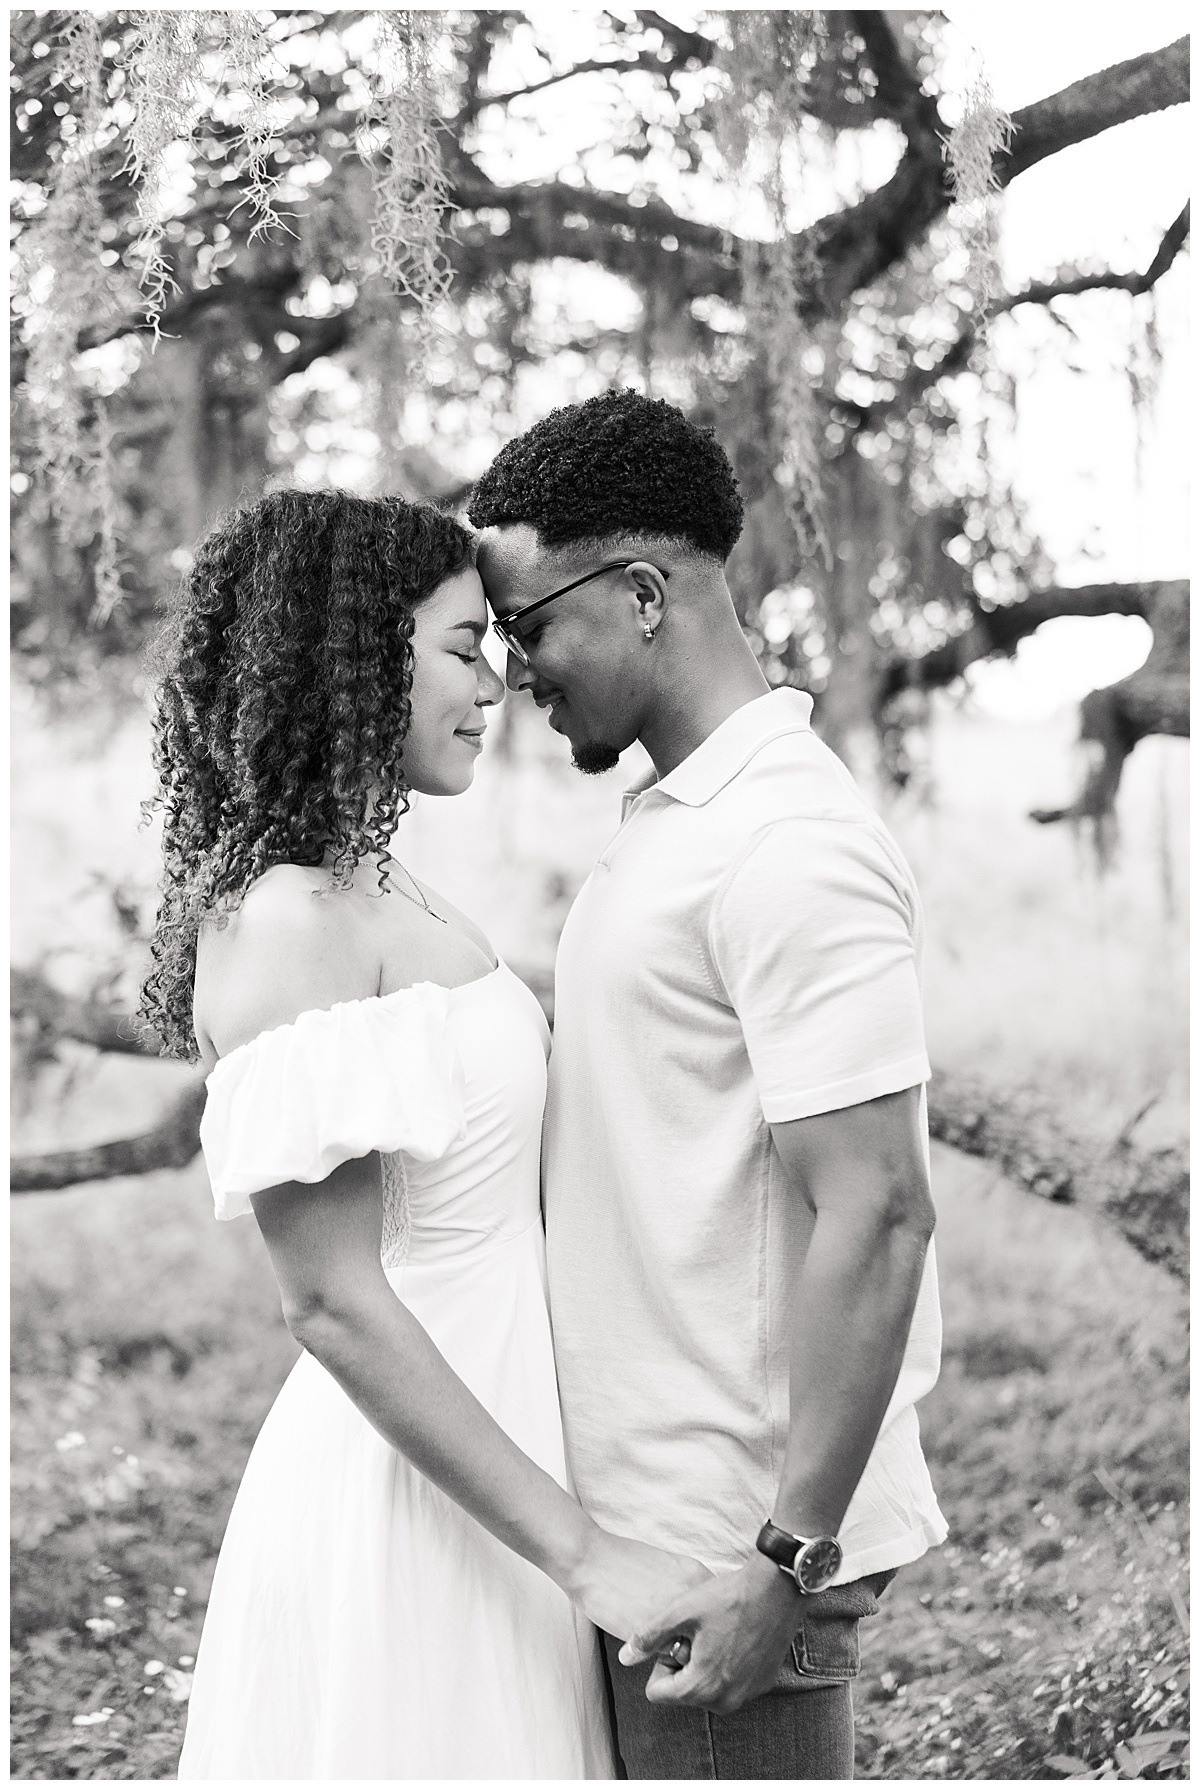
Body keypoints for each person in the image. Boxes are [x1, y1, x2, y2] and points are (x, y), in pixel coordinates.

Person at [139, 488, 707, 1779]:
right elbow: (332, 1299)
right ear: (351, 657)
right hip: (410, 1498)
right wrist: (584, 1551)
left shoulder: (382, 881)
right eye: (462, 647)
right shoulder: (292, 918)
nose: (496, 685)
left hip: (508, 1457)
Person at [469, 389, 948, 1780]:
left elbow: (882, 1213)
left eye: (527, 623)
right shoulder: (682, 822)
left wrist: (784, 1560)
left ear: (638, 593)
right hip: (649, 1531)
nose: (512, 669)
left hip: (729, 1552)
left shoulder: (787, 842)